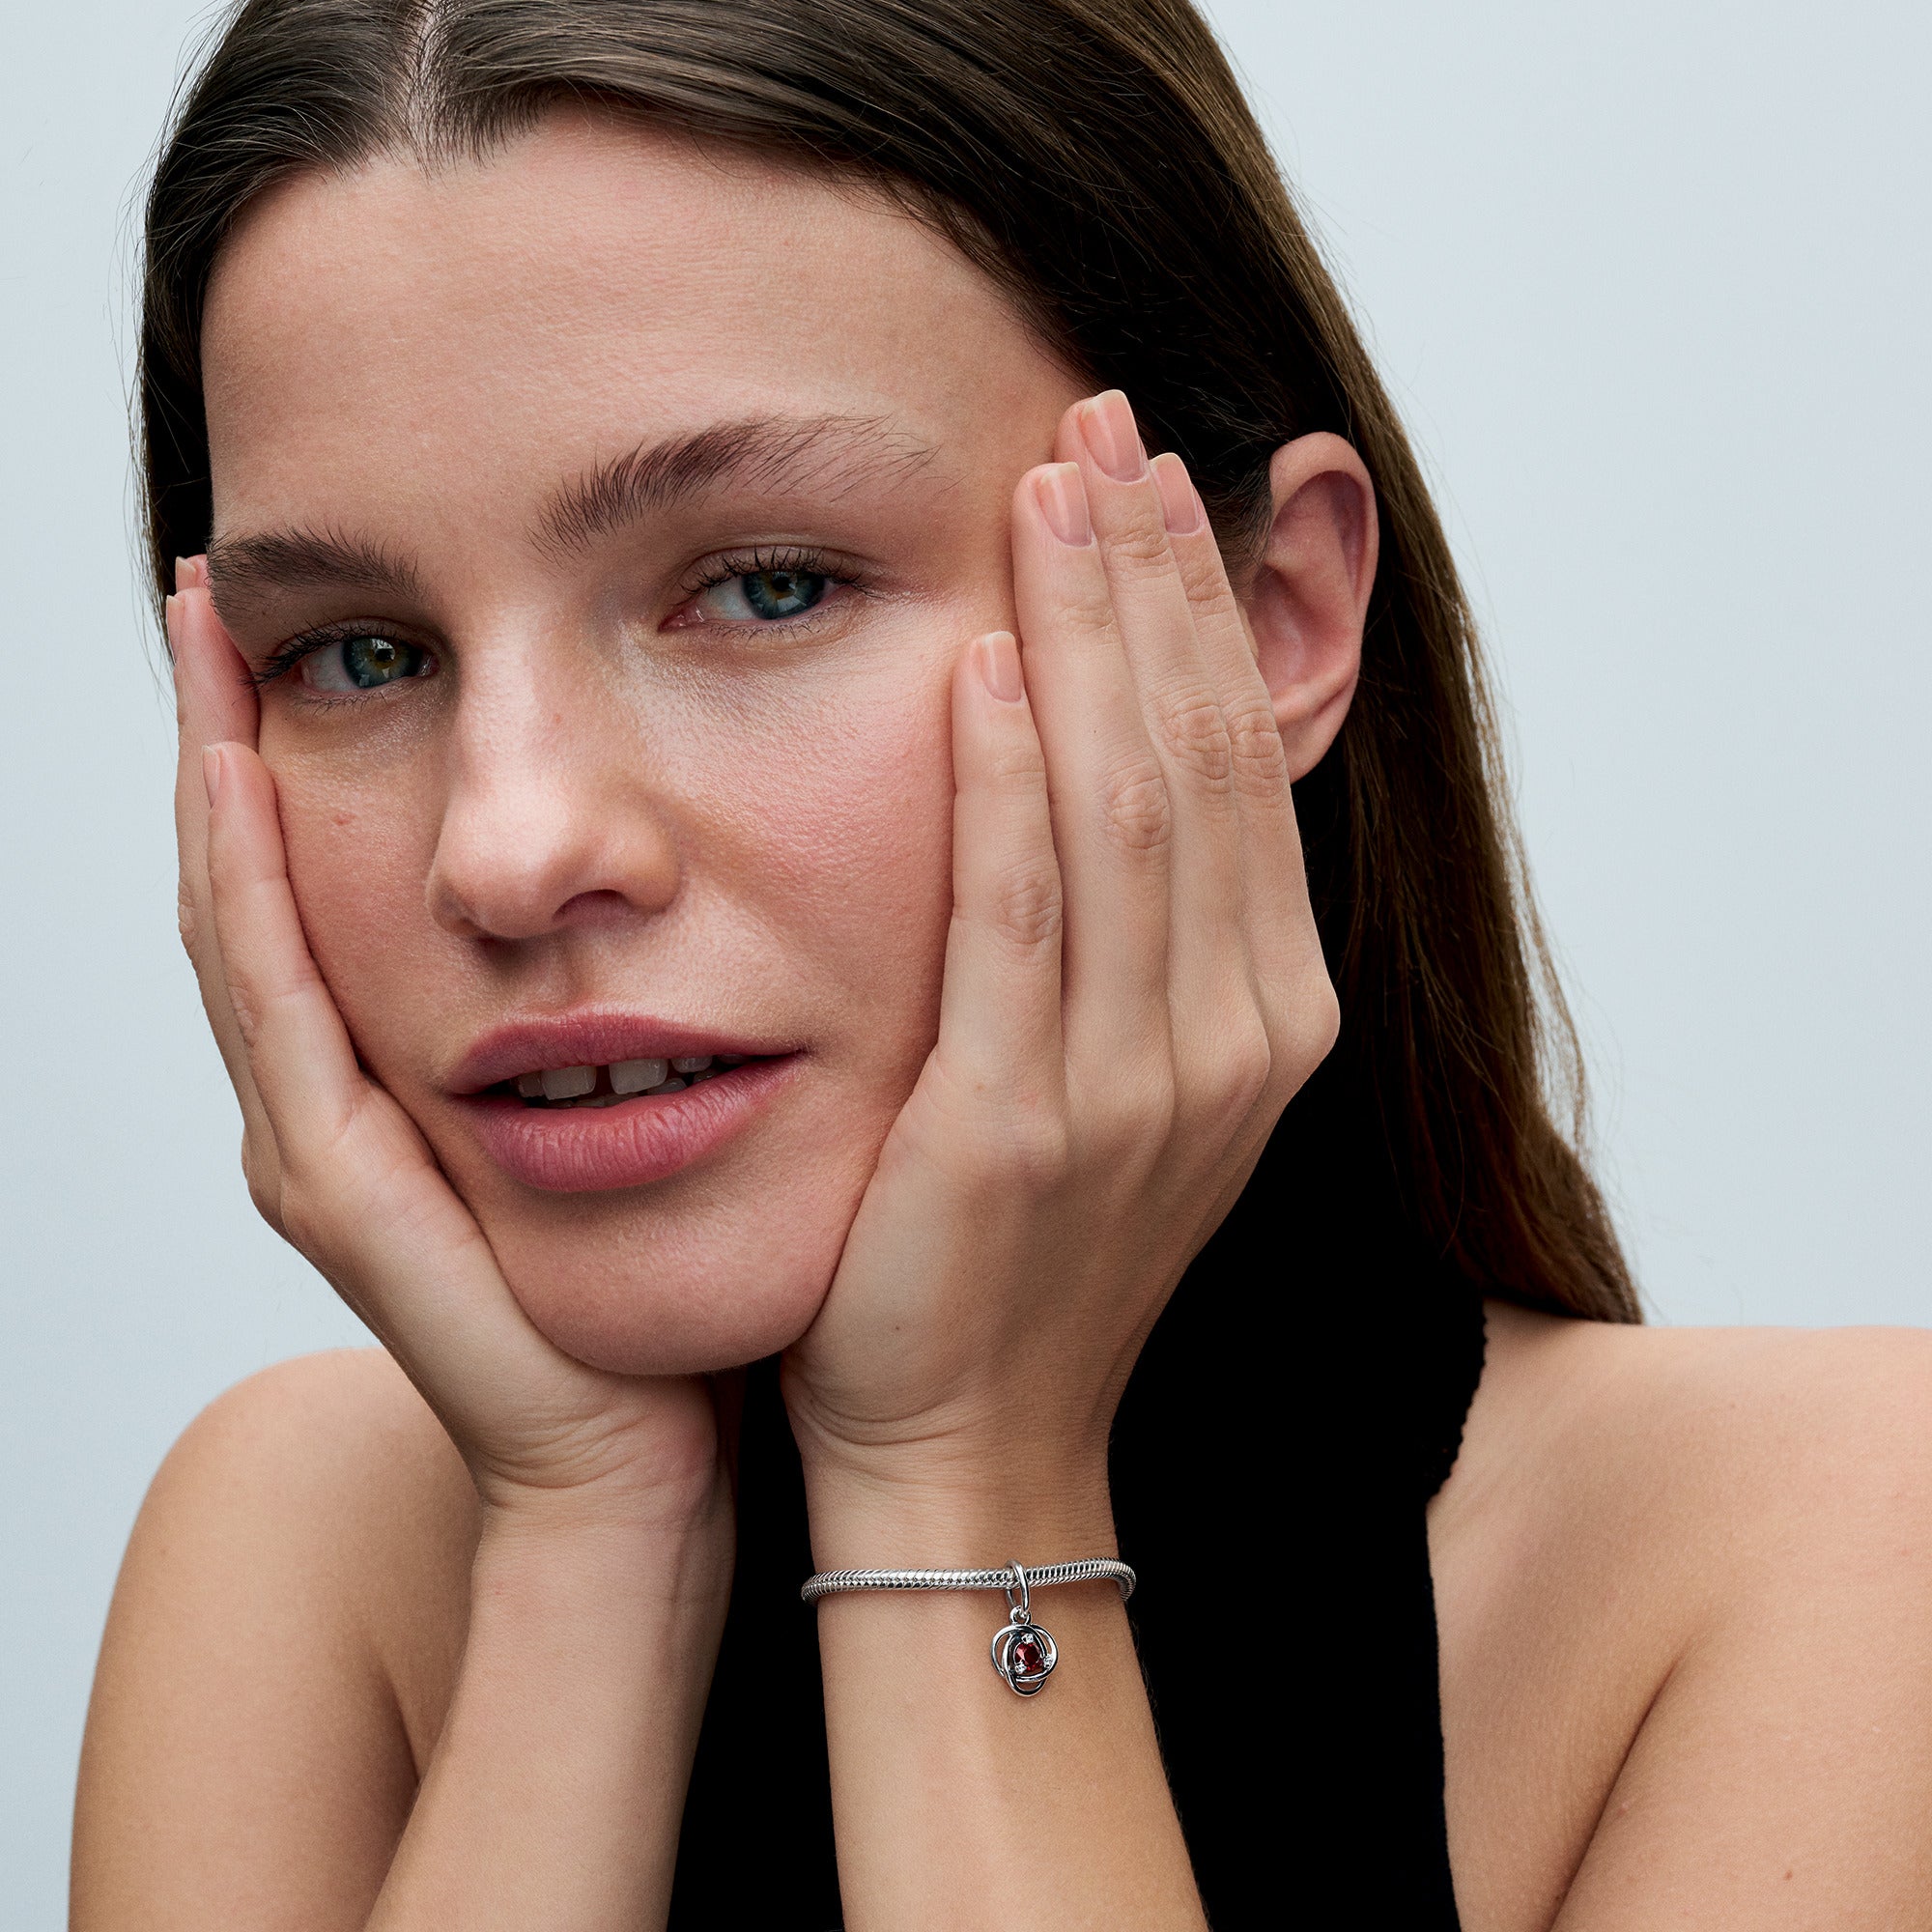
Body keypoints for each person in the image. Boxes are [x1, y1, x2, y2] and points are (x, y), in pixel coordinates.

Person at [70, 1, 1932, 1925]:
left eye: (767, 585)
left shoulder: (1837, 1551)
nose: (509, 849)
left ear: (1267, 619)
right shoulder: (307, 1542)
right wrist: (588, 1551)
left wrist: (956, 1475)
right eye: (358, 655)